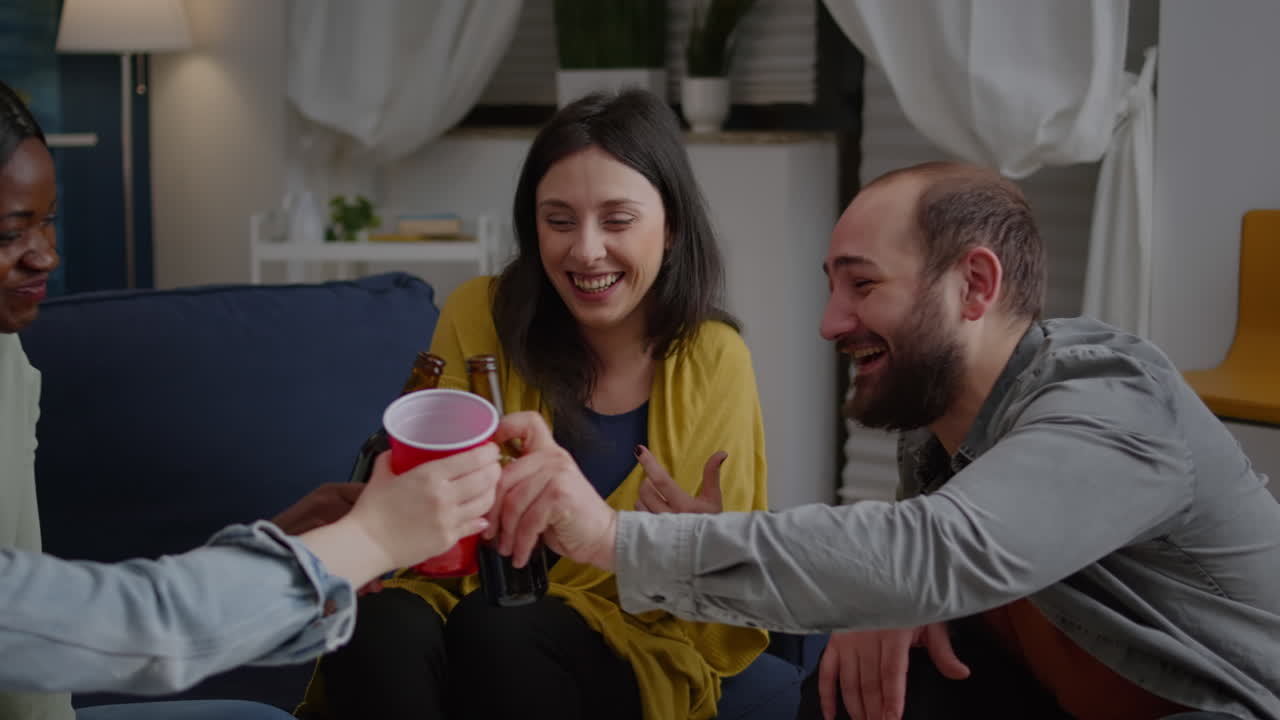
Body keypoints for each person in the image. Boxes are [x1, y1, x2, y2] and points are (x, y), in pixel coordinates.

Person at [488, 162, 1280, 720]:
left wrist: (614, 537)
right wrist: (888, 599)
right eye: (831, 285)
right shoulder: (937, 440)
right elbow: (913, 566)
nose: (831, 322)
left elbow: (934, 550)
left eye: (862, 285)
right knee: (861, 681)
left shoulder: (1111, 404)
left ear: (975, 285)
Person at [0, 79, 501, 720]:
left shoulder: (10, 359)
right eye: (11, 232)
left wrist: (282, 549)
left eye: (48, 222)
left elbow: (55, 613)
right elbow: (124, 631)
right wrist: (370, 539)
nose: (47, 255)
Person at [299, 89, 771, 720]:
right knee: (379, 624)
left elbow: (726, 610)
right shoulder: (478, 314)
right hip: (461, 593)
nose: (586, 250)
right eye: (559, 220)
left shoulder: (715, 358)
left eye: (618, 220)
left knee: (505, 627)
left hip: (632, 632)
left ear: (673, 225)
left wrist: (702, 547)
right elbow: (429, 526)